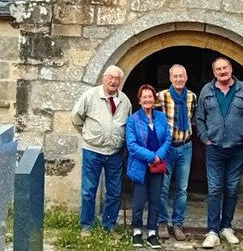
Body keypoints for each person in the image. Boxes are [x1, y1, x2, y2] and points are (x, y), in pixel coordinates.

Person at [196, 57, 243, 248]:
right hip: (214, 149)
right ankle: (212, 231)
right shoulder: (207, 91)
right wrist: (205, 138)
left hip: (238, 149)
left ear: (231, 68)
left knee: (231, 188)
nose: (222, 71)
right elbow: (200, 118)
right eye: (218, 69)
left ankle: (226, 227)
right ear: (214, 73)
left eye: (225, 68)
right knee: (214, 189)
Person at [71, 65, 132, 237]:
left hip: (115, 152)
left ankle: (109, 226)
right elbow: (76, 118)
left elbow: (128, 124)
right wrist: (88, 135)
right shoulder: (90, 96)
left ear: (120, 81)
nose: (113, 81)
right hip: (93, 150)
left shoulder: (125, 101)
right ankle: (86, 226)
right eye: (110, 77)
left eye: (117, 79)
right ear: (104, 78)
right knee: (89, 190)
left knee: (113, 191)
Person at [126, 84, 171, 249]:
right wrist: (151, 157)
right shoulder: (133, 119)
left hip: (157, 166)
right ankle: (137, 231)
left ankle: (152, 232)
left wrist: (158, 156)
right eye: (144, 97)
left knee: (155, 200)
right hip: (140, 165)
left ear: (154, 99)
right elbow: (131, 145)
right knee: (138, 201)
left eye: (150, 97)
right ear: (139, 100)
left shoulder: (161, 117)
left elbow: (167, 139)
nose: (147, 99)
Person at [156, 64, 197, 241]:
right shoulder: (161, 96)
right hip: (167, 148)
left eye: (182, 76)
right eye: (175, 76)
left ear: (186, 77)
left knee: (182, 188)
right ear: (170, 78)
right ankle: (162, 222)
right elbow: (153, 119)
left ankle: (178, 224)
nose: (179, 79)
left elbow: (193, 118)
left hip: (186, 146)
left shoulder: (192, 97)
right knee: (163, 188)